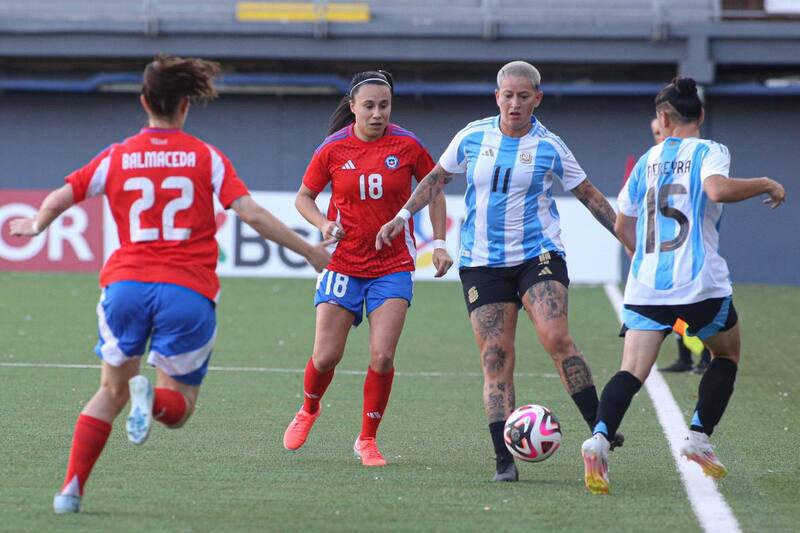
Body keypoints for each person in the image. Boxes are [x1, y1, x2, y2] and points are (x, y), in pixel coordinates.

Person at [9, 55, 331, 514]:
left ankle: (70, 491)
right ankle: (151, 399)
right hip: (187, 292)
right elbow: (252, 214)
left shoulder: (117, 156)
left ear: (144, 102)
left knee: (109, 391)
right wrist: (311, 252)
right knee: (180, 405)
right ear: (185, 106)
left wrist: (38, 224)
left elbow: (64, 196)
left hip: (125, 288)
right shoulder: (206, 157)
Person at [376, 60, 623, 482]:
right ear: (497, 97)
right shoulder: (472, 136)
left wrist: (630, 240)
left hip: (537, 255)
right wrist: (402, 215)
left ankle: (600, 429)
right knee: (495, 357)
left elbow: (589, 195)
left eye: (523, 96)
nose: (514, 104)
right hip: (482, 263)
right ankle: (504, 461)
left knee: (556, 337)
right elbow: (435, 180)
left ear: (537, 99)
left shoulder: (550, 146)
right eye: (507, 95)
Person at [581, 77, 785, 495]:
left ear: (663, 118)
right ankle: (697, 436)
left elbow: (622, 225)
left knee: (631, 370)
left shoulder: (646, 161)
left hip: (647, 285)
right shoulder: (710, 149)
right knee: (725, 354)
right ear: (701, 115)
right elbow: (716, 189)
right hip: (699, 283)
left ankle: (599, 439)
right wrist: (766, 182)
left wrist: (648, 257)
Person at [282, 70, 453, 466]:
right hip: (342, 262)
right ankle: (309, 409)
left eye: (384, 106)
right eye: (370, 106)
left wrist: (441, 244)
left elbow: (434, 189)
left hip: (392, 264)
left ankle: (367, 439)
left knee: (382, 357)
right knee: (325, 357)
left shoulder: (407, 144)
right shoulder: (332, 148)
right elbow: (304, 198)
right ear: (353, 107)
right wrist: (323, 224)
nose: (377, 113)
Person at [645, 118, 712, 374]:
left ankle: (707, 355)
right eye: (654, 133)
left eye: (659, 130)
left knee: (694, 304)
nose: (658, 136)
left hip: (687, 248)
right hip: (663, 248)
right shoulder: (653, 162)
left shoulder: (691, 161)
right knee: (671, 308)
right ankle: (685, 357)